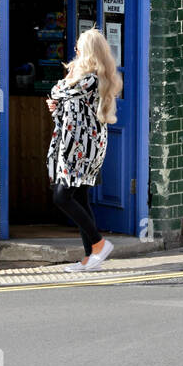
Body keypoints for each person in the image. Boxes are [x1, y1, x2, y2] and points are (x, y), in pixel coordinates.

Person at [47, 27, 121, 272]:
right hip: (78, 142)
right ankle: (91, 258)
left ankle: (98, 243)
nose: (75, 50)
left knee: (61, 195)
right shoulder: (87, 77)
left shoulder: (89, 78)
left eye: (79, 46)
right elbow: (68, 106)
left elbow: (58, 91)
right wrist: (56, 106)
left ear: (88, 52)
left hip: (81, 146)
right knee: (78, 196)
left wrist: (57, 96)